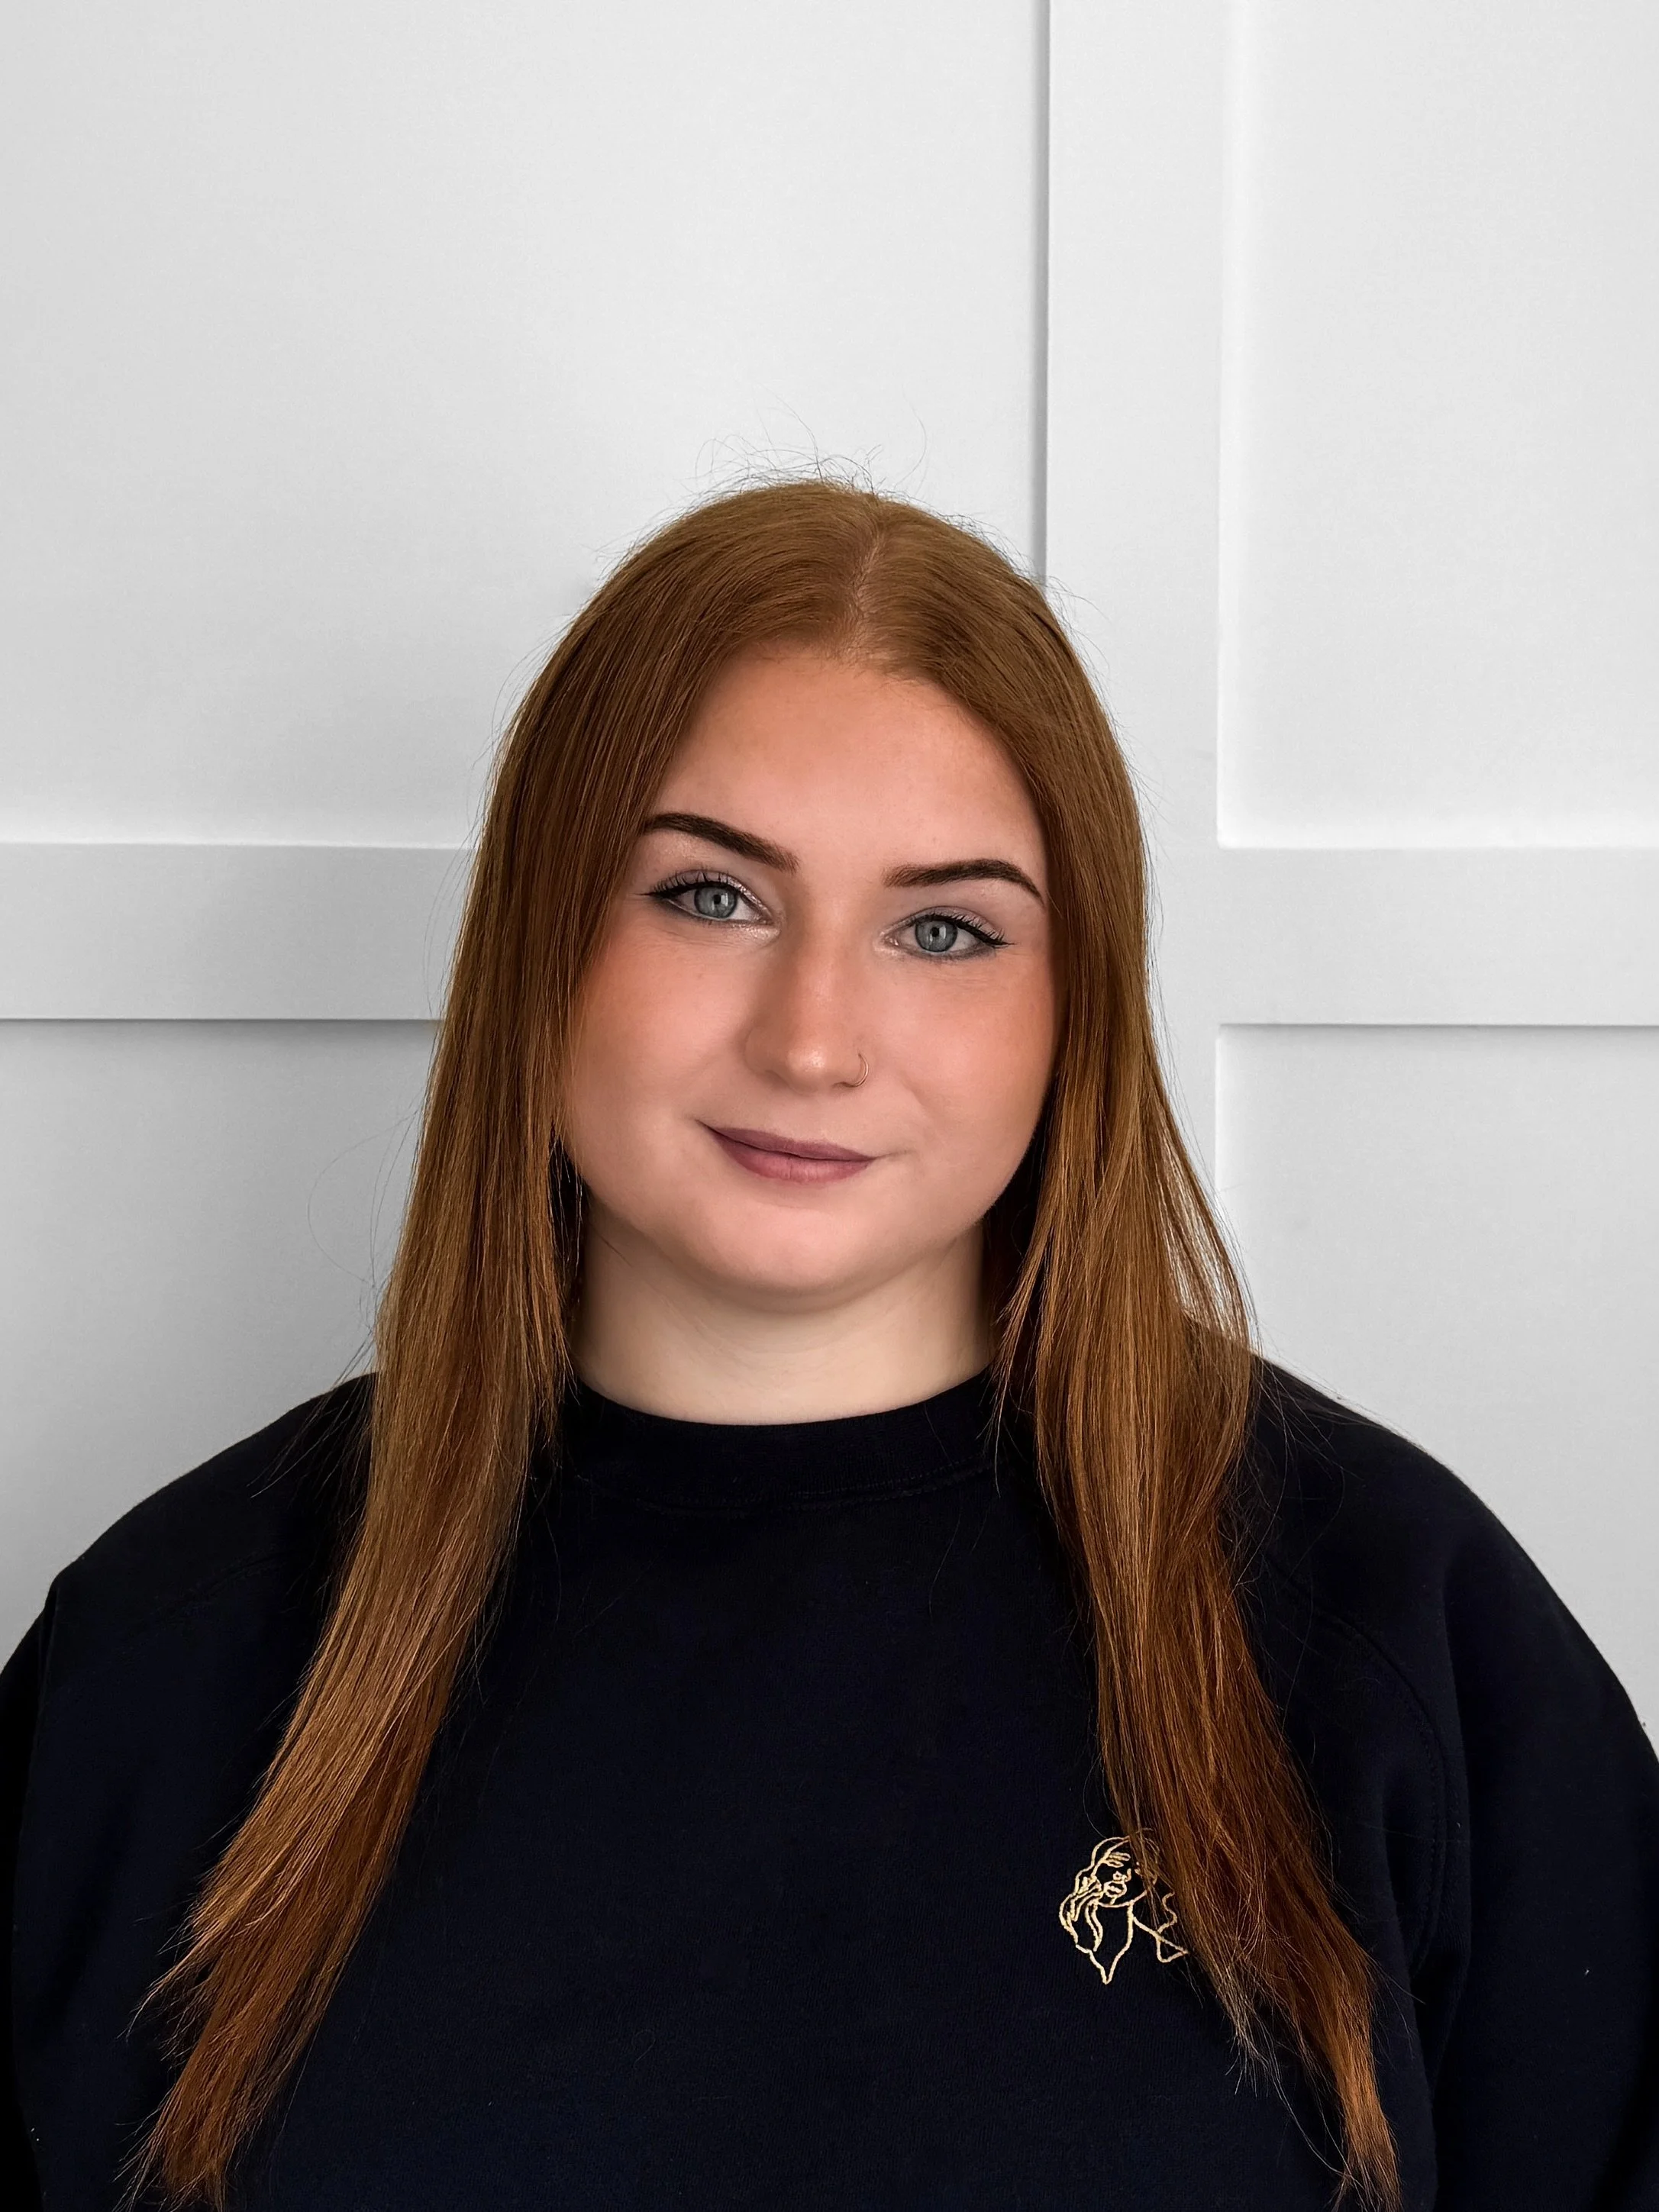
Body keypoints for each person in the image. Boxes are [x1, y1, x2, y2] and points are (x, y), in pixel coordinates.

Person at [2, 480, 1655, 2212]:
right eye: (710, 895)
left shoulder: (1388, 1623)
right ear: (542, 934)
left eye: (944, 929)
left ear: (1074, 1003)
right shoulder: (165, 1660)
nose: (814, 1041)